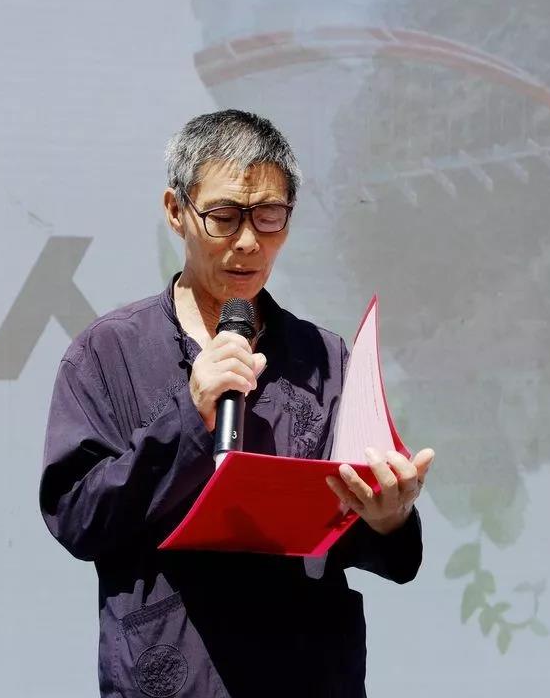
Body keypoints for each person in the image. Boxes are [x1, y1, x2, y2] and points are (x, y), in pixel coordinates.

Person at [39, 109, 435, 698]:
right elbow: (77, 517)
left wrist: (388, 518)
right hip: (173, 670)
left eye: (269, 216)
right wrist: (187, 415)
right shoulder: (109, 352)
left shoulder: (324, 358)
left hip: (305, 673)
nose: (248, 241)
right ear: (176, 211)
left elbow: (361, 540)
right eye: (224, 217)